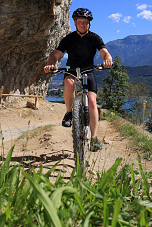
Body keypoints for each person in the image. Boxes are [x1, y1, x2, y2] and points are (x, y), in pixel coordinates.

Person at [44, 8, 113, 151]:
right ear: (75, 23)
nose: (82, 24)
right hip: (72, 70)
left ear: (89, 24)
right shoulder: (69, 38)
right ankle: (69, 113)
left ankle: (94, 138)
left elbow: (105, 53)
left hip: (88, 71)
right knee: (69, 84)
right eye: (80, 22)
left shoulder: (95, 38)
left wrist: (107, 60)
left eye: (85, 22)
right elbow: (56, 55)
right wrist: (50, 63)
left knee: (93, 102)